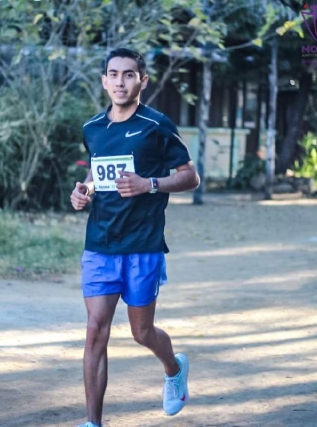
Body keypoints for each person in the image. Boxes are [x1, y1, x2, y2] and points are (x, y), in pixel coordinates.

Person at [70, 48, 200, 427]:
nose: (120, 82)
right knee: (96, 330)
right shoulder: (93, 128)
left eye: (129, 75)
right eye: (113, 74)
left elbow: (190, 176)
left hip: (143, 244)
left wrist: (150, 184)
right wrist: (85, 191)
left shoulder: (157, 125)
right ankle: (93, 423)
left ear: (142, 81)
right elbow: (97, 174)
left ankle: (174, 368)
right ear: (104, 80)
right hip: (100, 243)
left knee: (141, 331)